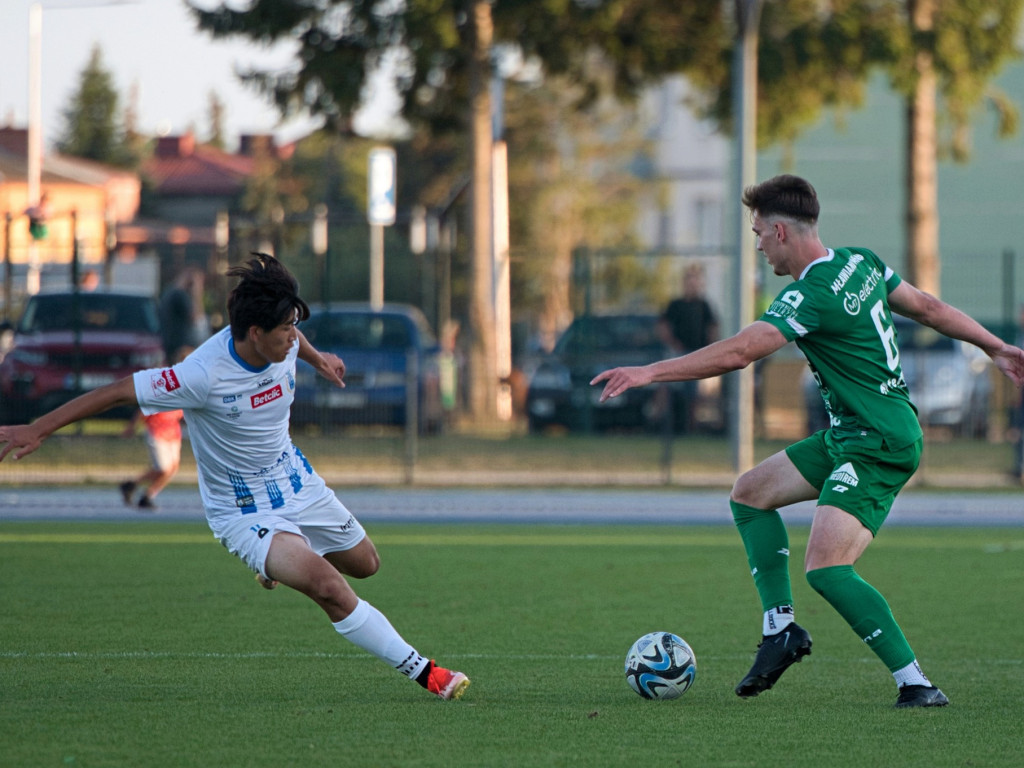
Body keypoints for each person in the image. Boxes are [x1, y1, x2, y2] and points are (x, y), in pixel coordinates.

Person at [592, 175, 1024, 708]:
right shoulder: (859, 262)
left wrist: (650, 372)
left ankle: (916, 684)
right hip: (852, 433)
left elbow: (739, 352)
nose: (757, 244)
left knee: (827, 568)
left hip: (878, 442)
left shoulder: (811, 292)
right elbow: (929, 308)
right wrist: (996, 346)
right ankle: (781, 631)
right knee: (750, 492)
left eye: (757, 233)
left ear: (779, 231)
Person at [0, 253, 470, 701]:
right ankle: (426, 672)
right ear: (253, 332)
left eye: (294, 327)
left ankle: (281, 561)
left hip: (296, 480)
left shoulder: (282, 337)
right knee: (328, 587)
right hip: (243, 511)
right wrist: (37, 428)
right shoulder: (201, 374)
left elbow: (296, 338)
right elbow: (120, 391)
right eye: (285, 330)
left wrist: (318, 356)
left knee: (366, 563)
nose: (293, 337)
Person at [119, 346, 192, 510]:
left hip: (173, 432)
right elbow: (145, 407)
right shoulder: (167, 381)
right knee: (164, 468)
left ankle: (142, 493)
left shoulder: (189, 384)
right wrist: (132, 426)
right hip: (157, 429)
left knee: (170, 469)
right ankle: (139, 491)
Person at [654, 264, 719, 432]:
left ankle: (691, 428)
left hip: (698, 355)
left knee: (694, 394)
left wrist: (710, 349)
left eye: (696, 280)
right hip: (678, 354)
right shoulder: (675, 305)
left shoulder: (704, 305)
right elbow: (663, 326)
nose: (693, 284)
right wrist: (673, 344)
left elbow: (713, 328)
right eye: (690, 280)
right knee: (667, 388)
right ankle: (660, 424)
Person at [159, 267, 207, 362]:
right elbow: (197, 318)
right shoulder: (180, 295)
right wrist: (197, 293)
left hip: (169, 343)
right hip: (182, 347)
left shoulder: (169, 292)